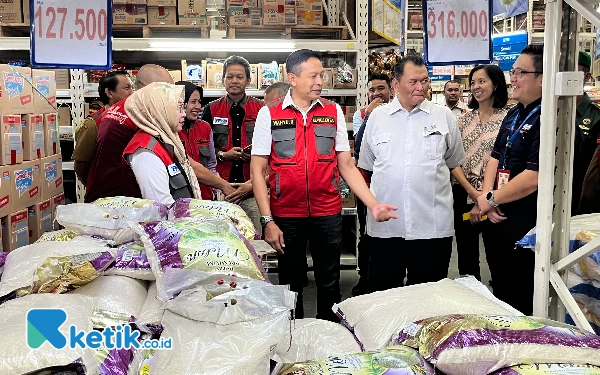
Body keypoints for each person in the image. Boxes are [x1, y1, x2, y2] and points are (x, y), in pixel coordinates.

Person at [251, 49, 398, 321]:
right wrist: (267, 220)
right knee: (291, 283)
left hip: (327, 212)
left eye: (322, 75)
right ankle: (293, 339)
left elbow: (346, 166)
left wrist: (373, 204)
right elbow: (257, 171)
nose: (320, 81)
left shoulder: (332, 112)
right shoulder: (268, 114)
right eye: (313, 76)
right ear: (292, 78)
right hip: (286, 215)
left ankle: (329, 338)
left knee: (329, 282)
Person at [358, 55, 466, 292]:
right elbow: (366, 164)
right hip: (386, 229)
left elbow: (454, 159)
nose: (421, 87)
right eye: (413, 81)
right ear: (396, 85)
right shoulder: (377, 118)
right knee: (384, 296)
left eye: (425, 81)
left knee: (428, 300)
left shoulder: (443, 117)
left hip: (432, 227)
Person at [85, 64, 233, 203]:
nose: (171, 99)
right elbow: (162, 205)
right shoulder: (142, 120)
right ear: (149, 92)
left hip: (112, 200)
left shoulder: (121, 110)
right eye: (166, 91)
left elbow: (183, 160)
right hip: (117, 206)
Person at [476, 45, 544, 315]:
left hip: (527, 223)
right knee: (502, 289)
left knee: (524, 291)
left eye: (520, 72)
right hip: (498, 215)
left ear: (542, 77)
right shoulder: (514, 114)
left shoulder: (548, 116)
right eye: (512, 72)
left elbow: (534, 176)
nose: (513, 78)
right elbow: (496, 156)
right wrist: (487, 197)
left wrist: (492, 198)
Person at [450, 64, 509, 281]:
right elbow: (452, 161)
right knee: (466, 258)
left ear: (495, 84)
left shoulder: (508, 119)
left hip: (497, 197)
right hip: (464, 194)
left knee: (498, 256)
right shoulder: (463, 121)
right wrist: (474, 195)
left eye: (481, 81)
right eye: (473, 82)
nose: (476, 86)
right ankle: (470, 304)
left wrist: (486, 198)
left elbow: (507, 162)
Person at [202, 56, 264, 231]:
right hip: (222, 189)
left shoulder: (261, 109)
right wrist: (223, 155)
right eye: (229, 77)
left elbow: (271, 147)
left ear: (248, 81)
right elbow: (204, 149)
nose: (234, 81)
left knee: (257, 241)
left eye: (239, 77)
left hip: (252, 190)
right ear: (223, 80)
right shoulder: (211, 109)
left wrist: (255, 154)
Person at [123, 83, 202, 206]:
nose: (184, 114)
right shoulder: (145, 152)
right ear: (159, 111)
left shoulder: (166, 140)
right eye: (178, 108)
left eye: (183, 107)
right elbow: (162, 208)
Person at [350, 73, 393, 296]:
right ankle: (364, 278)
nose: (377, 94)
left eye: (381, 89)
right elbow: (359, 145)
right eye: (372, 90)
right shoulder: (361, 115)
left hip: (392, 185)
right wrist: (369, 115)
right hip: (367, 186)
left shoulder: (397, 115)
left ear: (391, 90)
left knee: (393, 232)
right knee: (367, 233)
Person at [73, 70, 133, 185]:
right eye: (127, 88)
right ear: (109, 93)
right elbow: (81, 165)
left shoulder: (133, 119)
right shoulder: (93, 124)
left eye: (132, 88)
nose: (132, 93)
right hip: (104, 194)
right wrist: (94, 184)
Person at [175, 81, 230, 200]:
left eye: (199, 102)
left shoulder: (205, 127)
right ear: (180, 103)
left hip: (206, 198)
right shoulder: (171, 131)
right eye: (193, 102)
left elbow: (211, 165)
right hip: (182, 199)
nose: (198, 106)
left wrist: (218, 191)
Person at [572, 51, 600, 215]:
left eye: (572, 70)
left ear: (587, 76)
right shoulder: (549, 112)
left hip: (582, 199)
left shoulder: (596, 117)